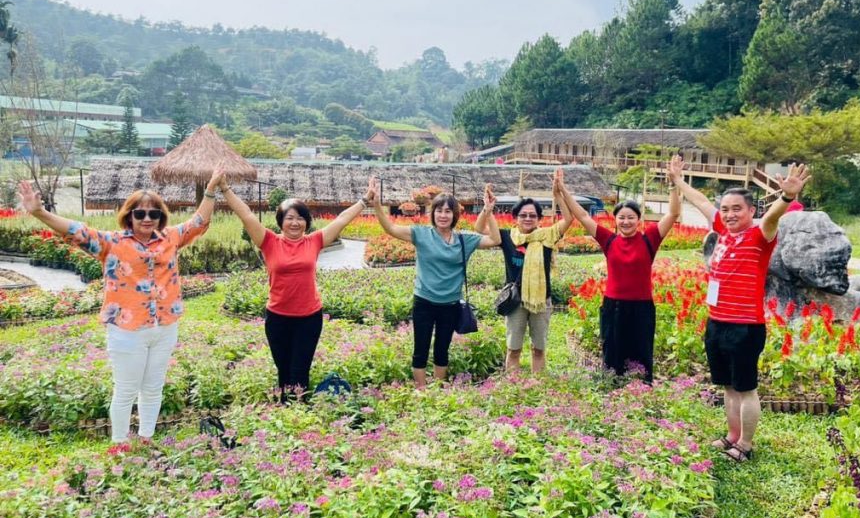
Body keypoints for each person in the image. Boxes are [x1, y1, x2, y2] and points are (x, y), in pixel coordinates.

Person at [18, 172, 223, 443]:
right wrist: (39, 212)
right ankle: (120, 444)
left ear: (162, 217)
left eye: (154, 214)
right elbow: (76, 230)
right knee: (126, 389)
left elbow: (199, 221)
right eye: (140, 214)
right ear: (129, 216)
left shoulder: (171, 238)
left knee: (153, 388)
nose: (147, 219)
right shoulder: (111, 243)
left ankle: (146, 439)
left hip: (165, 327)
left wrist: (209, 191)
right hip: (128, 330)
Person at [669, 157, 810, 462]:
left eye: (737, 209)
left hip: (745, 326)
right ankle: (732, 436)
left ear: (751, 212)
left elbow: (773, 217)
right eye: (727, 209)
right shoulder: (723, 230)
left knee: (745, 388)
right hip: (717, 321)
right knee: (728, 387)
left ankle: (745, 444)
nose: (730, 214)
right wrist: (679, 181)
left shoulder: (761, 236)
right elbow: (703, 201)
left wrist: (787, 197)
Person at [218, 172, 375, 401]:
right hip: (278, 318)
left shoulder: (314, 241)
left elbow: (341, 220)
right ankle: (286, 412)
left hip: (309, 318)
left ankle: (300, 414)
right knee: (283, 372)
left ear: (307, 222)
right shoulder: (268, 242)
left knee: (300, 371)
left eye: (300, 218)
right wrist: (225, 189)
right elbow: (247, 215)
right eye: (289, 218)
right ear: (281, 221)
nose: (295, 222)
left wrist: (364, 200)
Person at [558, 155, 683, 382]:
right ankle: (612, 395)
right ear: (615, 220)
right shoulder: (609, 240)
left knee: (642, 354)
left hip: (642, 308)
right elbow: (583, 215)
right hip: (613, 307)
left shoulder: (650, 239)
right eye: (621, 218)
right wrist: (564, 191)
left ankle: (641, 393)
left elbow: (673, 213)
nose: (626, 222)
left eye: (631, 218)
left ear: (639, 220)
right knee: (612, 354)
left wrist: (674, 183)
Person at [367, 179, 500, 388]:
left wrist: (488, 211)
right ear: (433, 213)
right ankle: (421, 391)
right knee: (420, 348)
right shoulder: (421, 234)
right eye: (439, 211)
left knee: (442, 348)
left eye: (448, 211)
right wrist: (376, 204)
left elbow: (494, 239)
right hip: (424, 302)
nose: (443, 215)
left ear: (454, 215)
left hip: (450, 305)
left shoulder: (464, 239)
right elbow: (391, 228)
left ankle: (438, 389)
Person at [473, 169, 573, 372]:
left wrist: (558, 195)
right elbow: (479, 229)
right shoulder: (507, 237)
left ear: (539, 219)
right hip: (515, 301)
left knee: (539, 349)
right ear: (515, 218)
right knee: (513, 349)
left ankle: (537, 385)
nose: (528, 218)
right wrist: (487, 209)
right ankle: (514, 386)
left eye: (532, 215)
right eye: (523, 215)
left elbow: (569, 219)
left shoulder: (547, 236)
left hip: (540, 300)